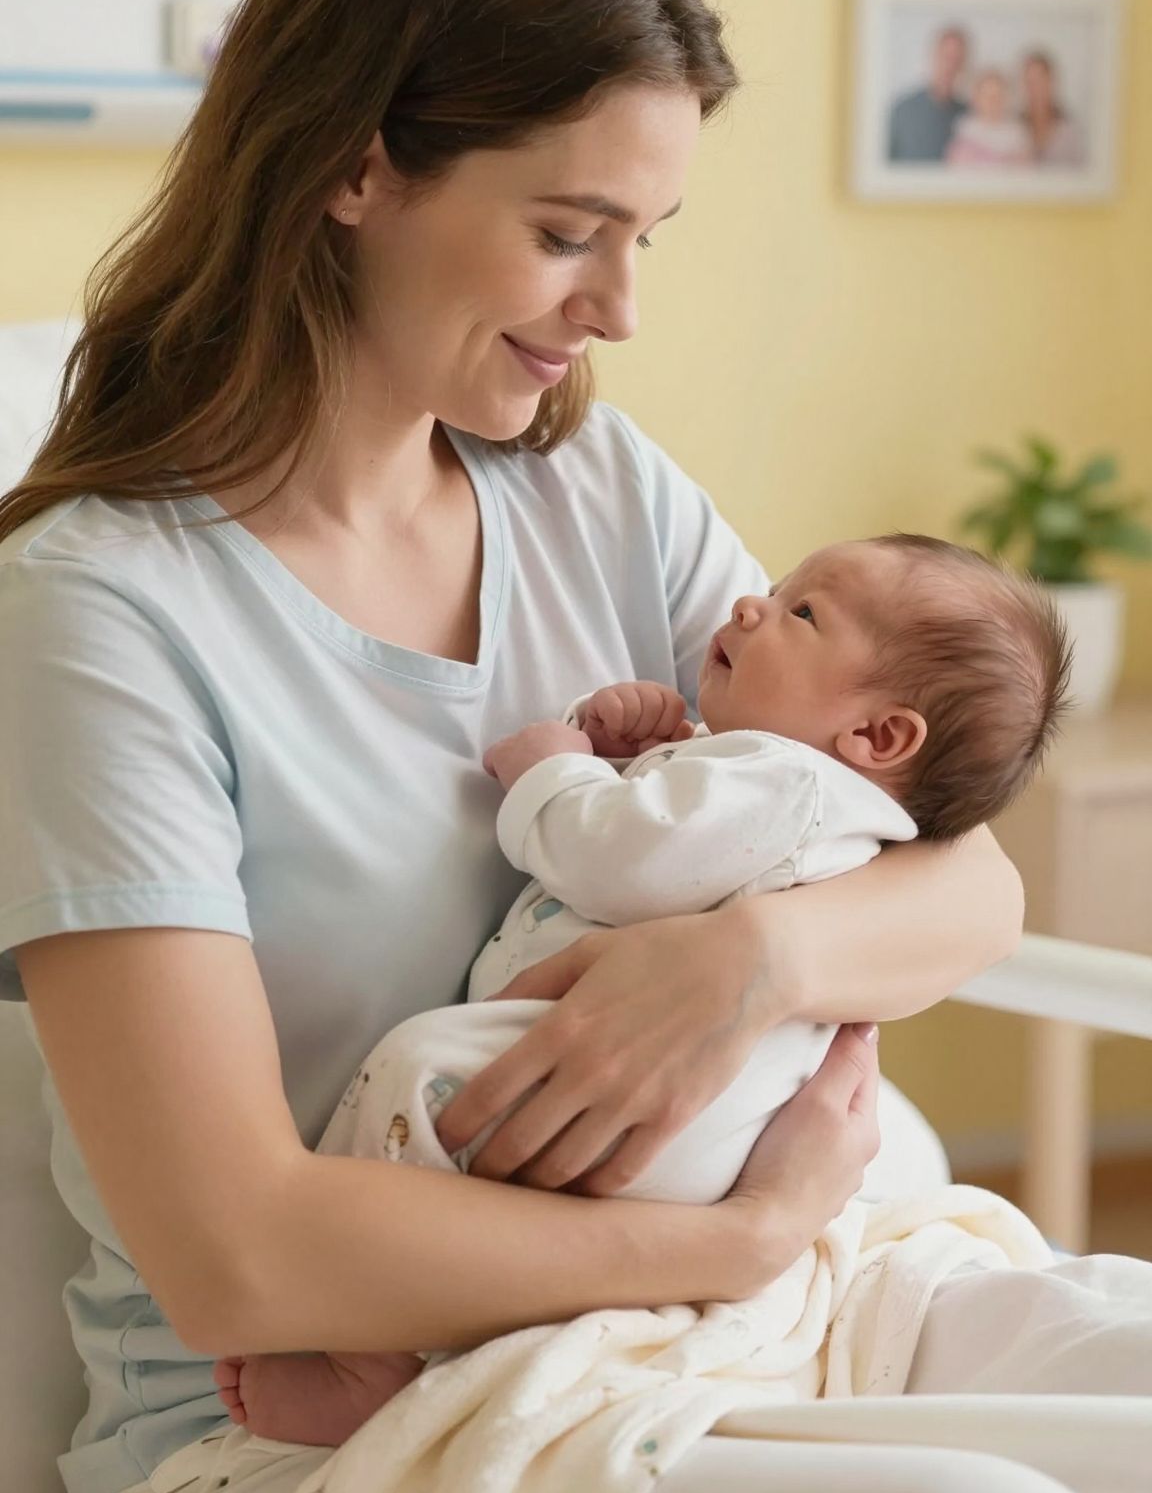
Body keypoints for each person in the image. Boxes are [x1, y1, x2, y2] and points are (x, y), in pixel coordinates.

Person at [2, 0, 1151, 1493]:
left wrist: (749, 959)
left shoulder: (586, 492)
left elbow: (957, 870)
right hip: (296, 1450)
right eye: (567, 232)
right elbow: (242, 1262)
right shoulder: (99, 615)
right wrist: (735, 1242)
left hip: (726, 1320)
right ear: (356, 168)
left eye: (649, 238)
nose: (613, 305)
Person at [214, 533, 1071, 1447]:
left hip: (656, 1124)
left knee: (413, 1071)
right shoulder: (795, 790)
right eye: (777, 589)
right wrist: (636, 746)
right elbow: (687, 834)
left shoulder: (785, 783)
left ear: (875, 736)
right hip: (708, 1153)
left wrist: (555, 766)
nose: (751, 606)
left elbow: (620, 858)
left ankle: (361, 1351)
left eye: (801, 613)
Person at [886, 24, 969, 161]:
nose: (950, 65)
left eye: (957, 59)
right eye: (946, 57)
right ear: (933, 56)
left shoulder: (967, 114)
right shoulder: (903, 109)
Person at [945, 67, 1032, 166]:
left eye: (998, 96)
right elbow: (955, 167)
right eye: (987, 96)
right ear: (976, 99)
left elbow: (1025, 171)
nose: (993, 102)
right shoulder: (965, 128)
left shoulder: (1017, 132)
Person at [1020, 48, 1085, 165]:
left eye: (1040, 81)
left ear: (1051, 81)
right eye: (1029, 82)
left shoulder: (1069, 129)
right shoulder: (1015, 125)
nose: (1034, 89)